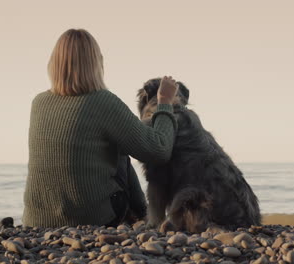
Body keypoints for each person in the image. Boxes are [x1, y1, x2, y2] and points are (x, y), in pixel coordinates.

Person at [22, 28, 179, 227]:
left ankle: (142, 215)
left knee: (115, 146)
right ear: (96, 64)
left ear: (54, 64)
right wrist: (165, 101)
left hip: (36, 222)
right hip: (90, 220)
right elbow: (158, 150)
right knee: (121, 151)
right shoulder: (102, 102)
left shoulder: (39, 102)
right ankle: (144, 217)